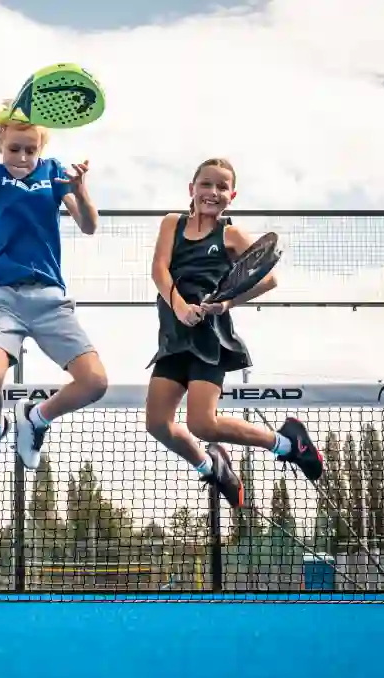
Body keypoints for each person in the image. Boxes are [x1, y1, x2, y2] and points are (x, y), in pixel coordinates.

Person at [0, 105, 108, 475]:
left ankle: (37, 416)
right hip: (5, 299)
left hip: (51, 300)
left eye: (30, 150)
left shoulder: (53, 173)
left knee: (95, 382)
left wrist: (81, 190)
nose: (23, 157)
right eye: (15, 148)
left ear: (40, 149)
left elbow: (89, 225)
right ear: (1, 143)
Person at [145, 158, 324, 509]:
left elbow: (268, 278)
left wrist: (225, 305)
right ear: (192, 189)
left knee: (203, 424)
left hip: (210, 340)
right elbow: (159, 270)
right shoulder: (171, 224)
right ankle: (212, 465)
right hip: (173, 338)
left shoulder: (231, 234)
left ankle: (288, 444)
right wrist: (180, 306)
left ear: (232, 195)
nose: (213, 192)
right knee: (157, 424)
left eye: (222, 187)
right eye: (206, 184)